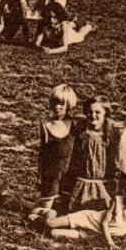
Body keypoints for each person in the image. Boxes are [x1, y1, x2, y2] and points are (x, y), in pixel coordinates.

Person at [42, 176, 126, 250]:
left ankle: (79, 231)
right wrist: (111, 243)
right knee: (49, 224)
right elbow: (104, 223)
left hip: (93, 233)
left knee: (53, 234)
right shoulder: (118, 201)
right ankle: (48, 212)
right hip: (88, 220)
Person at [35, 83, 79, 213]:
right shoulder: (46, 125)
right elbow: (42, 153)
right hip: (51, 175)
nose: (57, 107)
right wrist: (39, 175)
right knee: (46, 208)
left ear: (69, 105)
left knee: (66, 208)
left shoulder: (74, 125)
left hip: (68, 175)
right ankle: (34, 211)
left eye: (61, 103)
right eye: (54, 102)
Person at [67, 97, 114, 210]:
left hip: (103, 184)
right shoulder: (81, 134)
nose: (93, 115)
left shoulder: (110, 135)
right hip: (84, 183)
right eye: (90, 112)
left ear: (105, 113)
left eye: (97, 112)